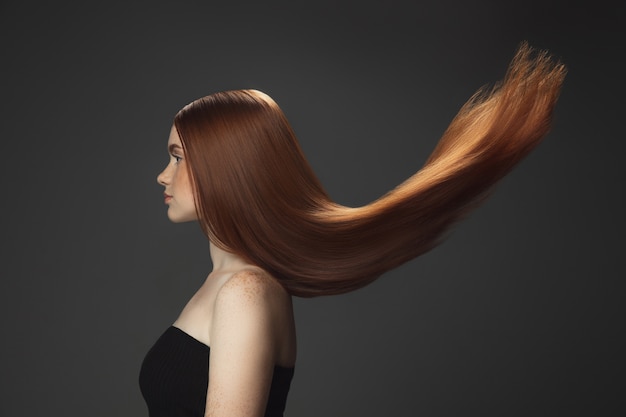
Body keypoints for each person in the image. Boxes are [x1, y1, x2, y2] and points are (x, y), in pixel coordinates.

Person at [139, 42, 566, 417]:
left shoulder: (244, 291)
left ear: (224, 168)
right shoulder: (228, 285)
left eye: (178, 157)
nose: (163, 175)